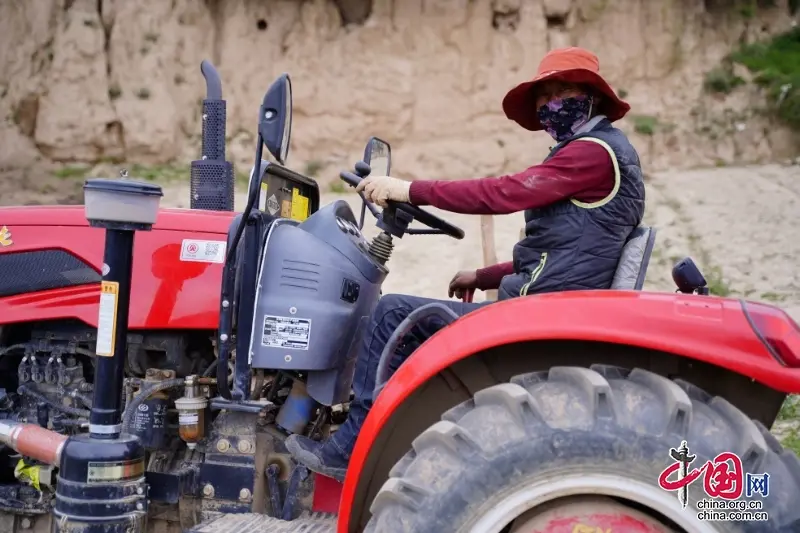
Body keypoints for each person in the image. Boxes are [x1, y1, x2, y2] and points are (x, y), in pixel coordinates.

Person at [285, 46, 646, 481]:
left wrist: (409, 190)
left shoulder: (592, 154)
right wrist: (485, 275)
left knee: (392, 313)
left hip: (536, 315)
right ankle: (391, 440)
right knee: (407, 320)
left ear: (591, 96)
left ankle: (350, 447)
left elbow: (502, 193)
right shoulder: (600, 153)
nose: (551, 103)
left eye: (563, 90)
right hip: (549, 303)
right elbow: (568, 249)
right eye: (543, 96)